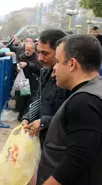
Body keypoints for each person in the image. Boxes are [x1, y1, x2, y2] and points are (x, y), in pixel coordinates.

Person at [37, 34, 102, 185]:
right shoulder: (94, 90)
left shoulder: (84, 101)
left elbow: (78, 158)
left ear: (72, 64)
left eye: (58, 62)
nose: (54, 68)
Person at [21, 29, 70, 146]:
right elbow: (39, 99)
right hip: (43, 141)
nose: (40, 58)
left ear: (60, 52)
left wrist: (44, 122)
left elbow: (74, 118)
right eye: (39, 53)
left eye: (45, 53)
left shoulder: (70, 80)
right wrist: (28, 117)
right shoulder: (45, 72)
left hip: (59, 145)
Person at [16, 42, 42, 120]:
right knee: (23, 99)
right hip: (24, 80)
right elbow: (17, 66)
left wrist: (27, 64)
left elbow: (38, 67)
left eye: (29, 50)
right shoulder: (21, 56)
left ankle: (30, 117)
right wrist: (17, 69)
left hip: (34, 80)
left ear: (34, 50)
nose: (27, 51)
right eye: (26, 49)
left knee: (32, 99)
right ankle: (21, 115)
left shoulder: (37, 57)